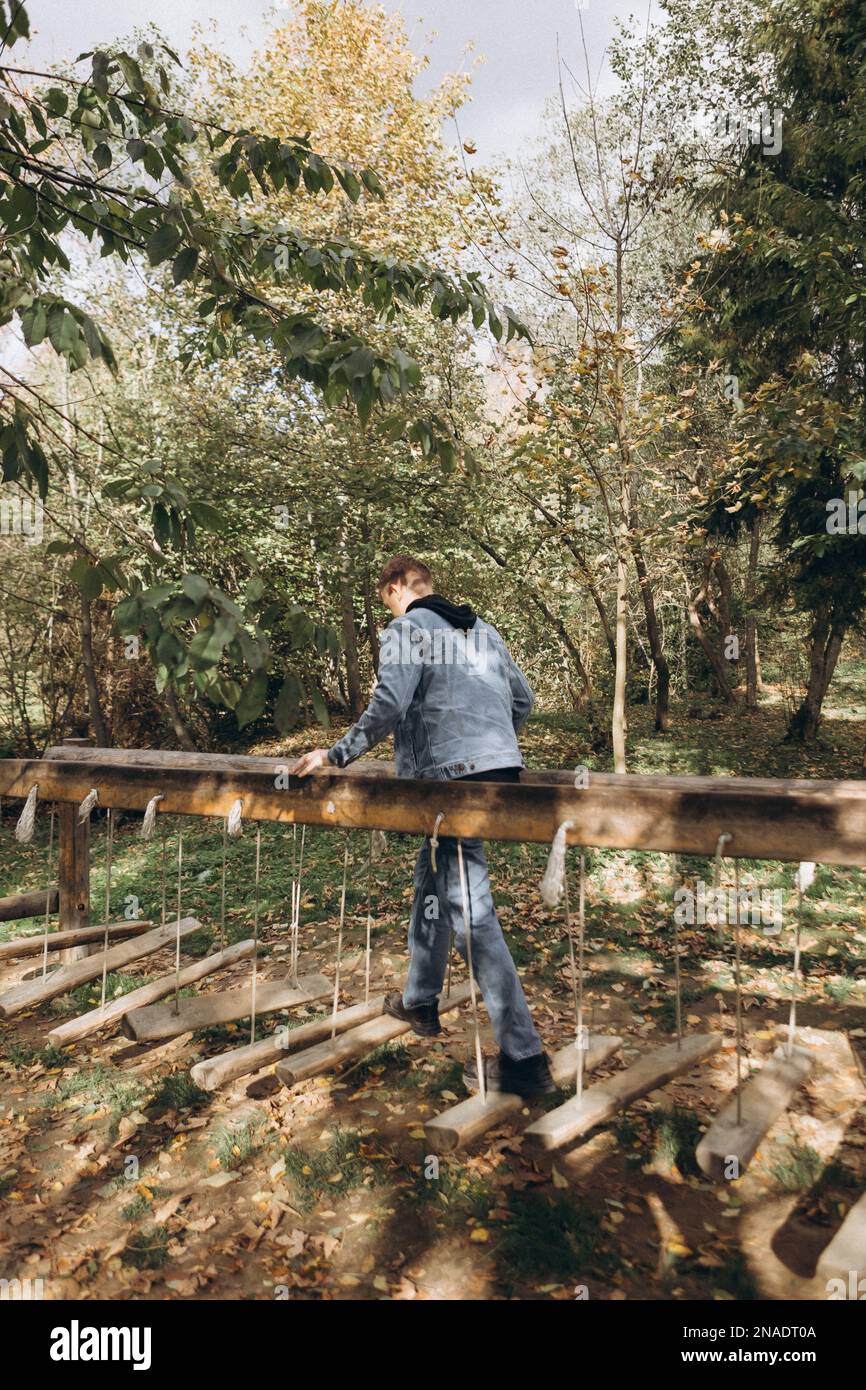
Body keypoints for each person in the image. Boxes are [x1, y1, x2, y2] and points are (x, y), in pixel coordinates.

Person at [293, 554, 554, 1097]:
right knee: (433, 883)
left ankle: (524, 1058)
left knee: (470, 911)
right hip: (497, 772)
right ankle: (420, 1000)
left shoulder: (405, 627)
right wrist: (493, 749)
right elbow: (523, 700)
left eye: (384, 597)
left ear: (394, 589)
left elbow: (389, 702)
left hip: (447, 783)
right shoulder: (481, 629)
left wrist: (335, 755)